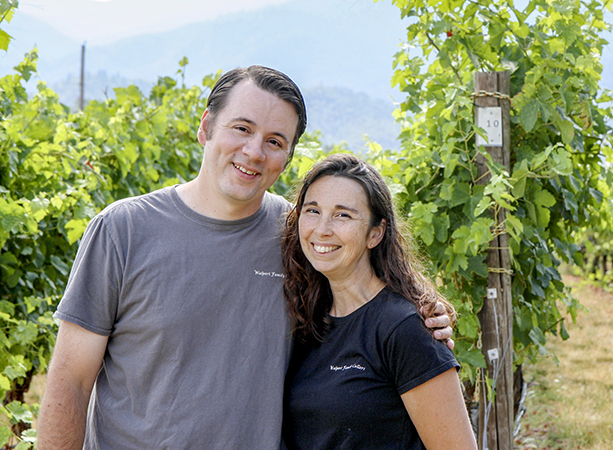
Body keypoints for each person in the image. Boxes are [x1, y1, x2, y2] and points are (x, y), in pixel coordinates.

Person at [37, 66, 452, 449]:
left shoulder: (301, 237)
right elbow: (70, 382)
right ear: (206, 128)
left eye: (274, 141)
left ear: (287, 157)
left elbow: (364, 298)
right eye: (242, 128)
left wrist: (424, 311)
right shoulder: (123, 230)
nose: (254, 152)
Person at [281, 153, 478, 450]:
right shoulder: (305, 317)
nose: (322, 228)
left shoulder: (404, 327)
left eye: (342, 215)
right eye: (312, 211)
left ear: (375, 233)